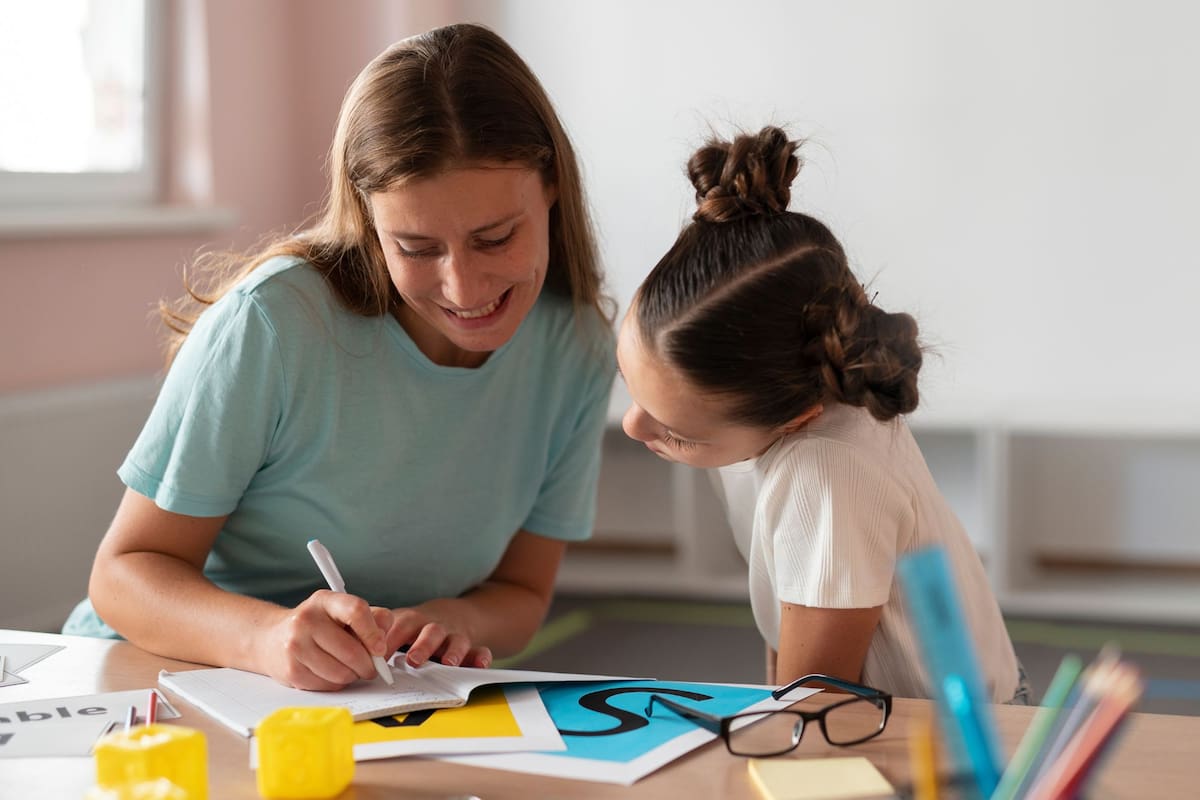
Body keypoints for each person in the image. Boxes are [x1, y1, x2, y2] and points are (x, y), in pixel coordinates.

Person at [63, 23, 615, 692]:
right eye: (415, 248)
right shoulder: (275, 322)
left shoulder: (576, 346)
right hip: (153, 686)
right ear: (366, 217)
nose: (463, 288)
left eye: (495, 238)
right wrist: (265, 637)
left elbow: (522, 595)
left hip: (376, 700)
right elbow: (123, 576)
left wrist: (451, 619)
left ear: (551, 186)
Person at [617, 126, 1025, 702]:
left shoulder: (824, 473)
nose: (635, 426)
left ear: (795, 415)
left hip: (959, 743)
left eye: (677, 433)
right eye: (627, 380)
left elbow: (810, 707)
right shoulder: (767, 415)